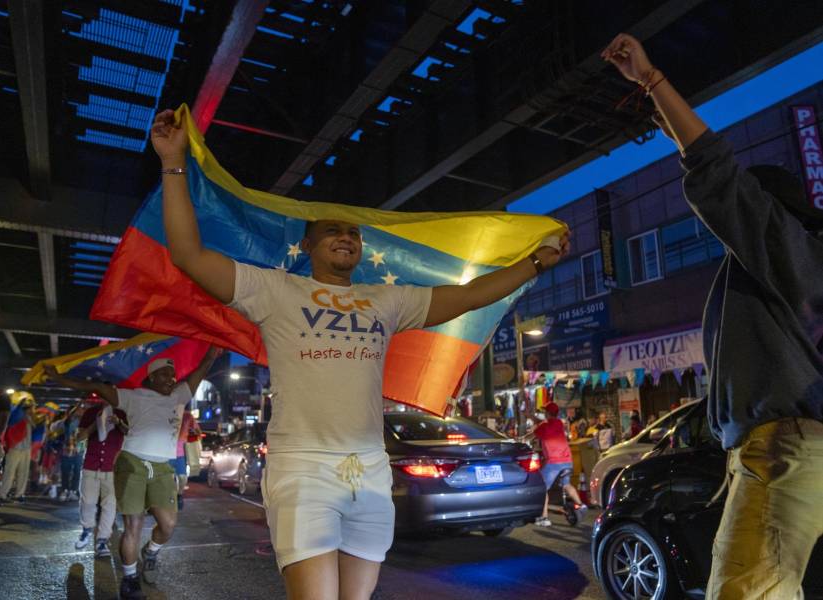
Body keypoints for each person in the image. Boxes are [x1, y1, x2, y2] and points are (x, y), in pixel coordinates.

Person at [150, 107, 570, 600]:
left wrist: (535, 263)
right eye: (332, 230)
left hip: (370, 470)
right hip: (303, 467)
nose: (346, 237)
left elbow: (471, 296)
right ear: (307, 244)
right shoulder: (276, 290)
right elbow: (188, 255)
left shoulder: (386, 301)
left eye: (353, 232)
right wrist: (174, 162)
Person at [603, 33, 823, 600]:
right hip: (780, 450)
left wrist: (652, 81)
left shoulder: (787, 248)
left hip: (784, 450)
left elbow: (714, 169)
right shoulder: (786, 269)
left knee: (746, 590)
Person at [43, 347, 220, 600]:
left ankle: (151, 551)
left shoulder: (179, 395)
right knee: (133, 524)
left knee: (168, 525)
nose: (171, 379)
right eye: (165, 375)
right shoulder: (131, 396)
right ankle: (129, 580)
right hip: (132, 464)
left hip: (162, 468)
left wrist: (211, 355)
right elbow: (92, 385)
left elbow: (200, 371)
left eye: (173, 375)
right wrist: (58, 378)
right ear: (150, 378)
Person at [75, 396, 129, 557]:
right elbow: (79, 437)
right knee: (87, 501)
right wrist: (95, 424)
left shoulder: (122, 413)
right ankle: (86, 530)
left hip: (113, 467)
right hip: (91, 464)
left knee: (110, 504)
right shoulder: (90, 413)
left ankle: (103, 540)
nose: (107, 397)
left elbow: (130, 433)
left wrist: (119, 422)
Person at [531, 402, 586, 527]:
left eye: (545, 411)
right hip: (567, 461)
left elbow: (535, 433)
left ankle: (544, 517)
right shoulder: (559, 423)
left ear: (548, 413)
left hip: (554, 462)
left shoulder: (544, 426)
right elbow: (541, 423)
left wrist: (531, 422)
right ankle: (581, 506)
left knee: (543, 488)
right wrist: (533, 418)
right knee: (566, 484)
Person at [0, 397, 35, 504]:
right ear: (27, 408)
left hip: (26, 448)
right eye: (32, 407)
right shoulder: (17, 414)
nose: (34, 410)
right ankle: (3, 494)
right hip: (15, 448)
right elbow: (14, 419)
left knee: (23, 473)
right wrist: (21, 404)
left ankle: (19, 494)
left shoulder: (28, 417)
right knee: (10, 472)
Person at [51, 403, 86, 501]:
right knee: (67, 472)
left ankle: (71, 491)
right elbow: (53, 427)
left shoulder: (82, 421)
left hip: (78, 450)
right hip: (68, 450)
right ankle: (66, 490)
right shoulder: (66, 422)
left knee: (76, 472)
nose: (81, 411)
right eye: (78, 410)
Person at [171, 409, 200, 509]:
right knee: (169, 478)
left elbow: (197, 431)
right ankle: (172, 499)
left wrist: (193, 434)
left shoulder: (187, 416)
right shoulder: (165, 411)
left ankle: (179, 495)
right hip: (166, 453)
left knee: (182, 477)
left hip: (180, 454)